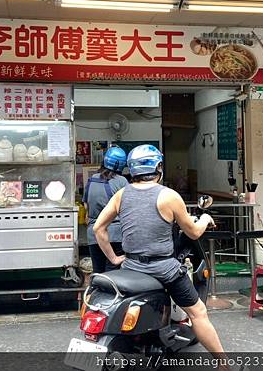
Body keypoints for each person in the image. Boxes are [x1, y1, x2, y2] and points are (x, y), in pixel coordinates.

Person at [94, 144, 225, 355]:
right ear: (158, 167)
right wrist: (205, 218)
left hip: (131, 266)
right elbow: (192, 232)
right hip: (163, 269)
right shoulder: (169, 196)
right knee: (199, 312)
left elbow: (98, 228)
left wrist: (115, 258)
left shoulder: (122, 194)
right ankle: (225, 365)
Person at [83, 146, 128, 274]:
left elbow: (87, 207)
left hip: (94, 236)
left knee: (98, 273)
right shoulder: (122, 181)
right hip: (114, 235)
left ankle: (94, 293)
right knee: (112, 275)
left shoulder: (91, 180)